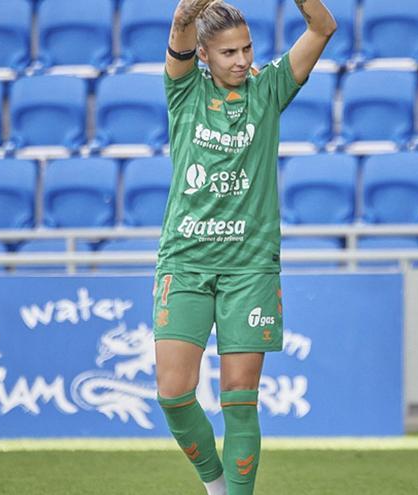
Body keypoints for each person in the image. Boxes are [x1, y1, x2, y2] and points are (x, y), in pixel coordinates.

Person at [152, 1, 336, 493]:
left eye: (246, 48)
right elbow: (179, 41)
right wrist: (181, 18)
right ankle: (214, 485)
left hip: (249, 269)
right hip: (186, 262)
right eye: (227, 51)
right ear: (205, 56)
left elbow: (323, 26)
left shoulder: (268, 90)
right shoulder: (184, 92)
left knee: (239, 397)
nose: (240, 59)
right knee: (172, 394)